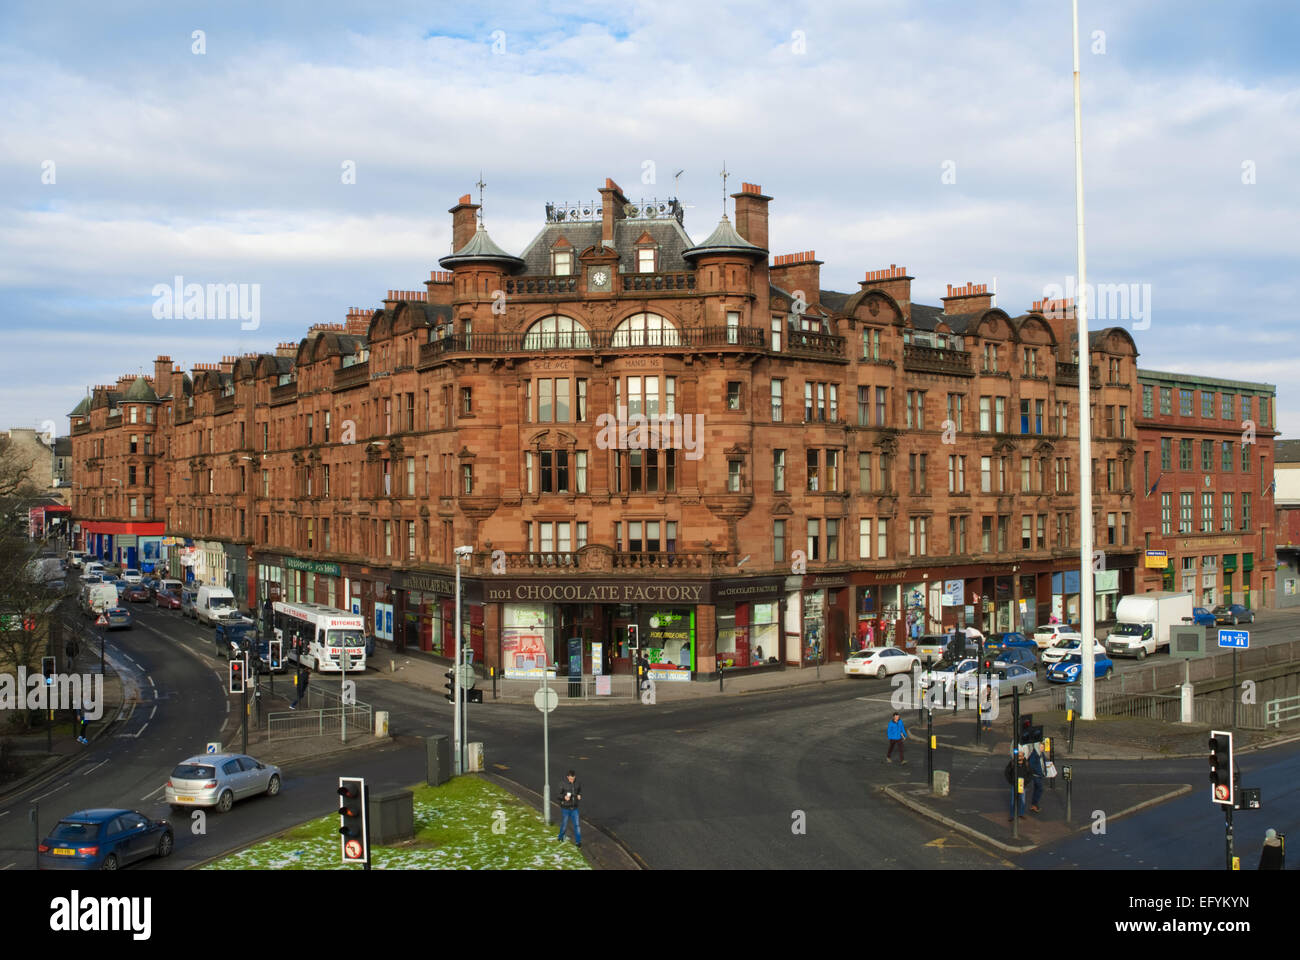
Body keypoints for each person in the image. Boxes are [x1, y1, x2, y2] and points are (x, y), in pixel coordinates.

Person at [556, 770, 582, 847]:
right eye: (570, 778)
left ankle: (578, 842)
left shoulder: (577, 783)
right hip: (566, 808)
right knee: (564, 823)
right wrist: (564, 797)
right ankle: (560, 837)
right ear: (567, 777)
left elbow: (579, 791)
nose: (572, 780)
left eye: (573, 778)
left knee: (577, 825)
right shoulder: (562, 784)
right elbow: (558, 795)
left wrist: (579, 795)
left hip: (574, 808)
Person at [1006, 749, 1030, 819]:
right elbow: (1007, 772)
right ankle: (1012, 815)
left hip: (1022, 784)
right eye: (1018, 755)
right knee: (1013, 800)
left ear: (1023, 757)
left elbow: (1030, 774)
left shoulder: (1026, 763)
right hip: (1015, 784)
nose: (1019, 757)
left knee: (1022, 800)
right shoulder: (1012, 763)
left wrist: (1026, 782)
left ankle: (1021, 813)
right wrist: (1011, 781)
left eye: (1020, 756)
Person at [1027, 744, 1047, 813]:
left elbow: (1044, 763)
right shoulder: (1035, 754)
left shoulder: (1041, 754)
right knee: (1040, 789)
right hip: (1036, 775)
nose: (1042, 748)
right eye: (1041, 747)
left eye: (1043, 747)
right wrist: (1038, 772)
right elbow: (1031, 765)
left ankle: (1034, 804)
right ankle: (1034, 804)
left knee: (1037, 789)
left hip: (1040, 775)